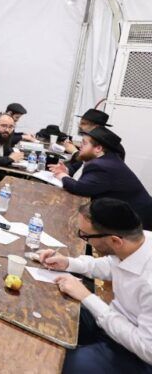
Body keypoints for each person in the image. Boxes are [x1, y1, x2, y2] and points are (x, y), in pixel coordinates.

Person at [38, 199, 152, 372]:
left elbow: (147, 349)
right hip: (111, 322)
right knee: (52, 313)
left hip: (135, 354)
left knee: (59, 364)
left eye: (86, 236)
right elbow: (113, 264)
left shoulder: (149, 283)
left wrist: (87, 297)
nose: (85, 240)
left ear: (115, 241)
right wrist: (68, 263)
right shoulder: (138, 240)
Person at [49, 127, 152, 229]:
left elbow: (79, 188)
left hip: (138, 222)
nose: (80, 146)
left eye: (84, 143)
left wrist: (62, 175)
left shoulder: (103, 166)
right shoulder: (106, 160)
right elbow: (88, 183)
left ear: (98, 148)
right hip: (128, 214)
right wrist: (66, 172)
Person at [62, 108, 125, 176]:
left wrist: (74, 151)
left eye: (83, 123)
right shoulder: (94, 139)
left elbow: (92, 163)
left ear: (96, 127)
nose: (80, 126)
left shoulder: (111, 146)